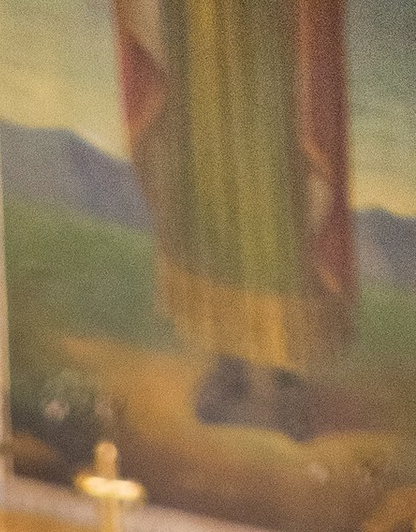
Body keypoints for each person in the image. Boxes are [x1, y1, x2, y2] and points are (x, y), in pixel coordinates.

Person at [116, 0, 354, 441]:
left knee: (270, 174)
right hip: (199, 20)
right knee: (205, 160)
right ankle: (232, 351)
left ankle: (273, 372)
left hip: (270, 23)